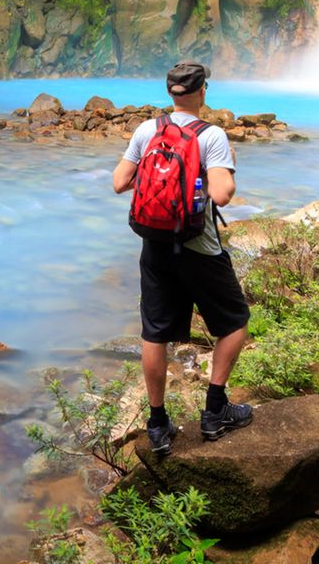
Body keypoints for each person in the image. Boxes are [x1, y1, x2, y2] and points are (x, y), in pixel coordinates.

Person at [111, 60, 253, 455]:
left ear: (169, 91)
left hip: (154, 245)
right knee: (235, 321)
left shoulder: (146, 129)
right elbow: (223, 195)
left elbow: (119, 182)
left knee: (155, 333)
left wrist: (157, 182)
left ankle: (157, 425)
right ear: (203, 91)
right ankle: (214, 410)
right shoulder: (212, 136)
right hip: (198, 247)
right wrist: (220, 172)